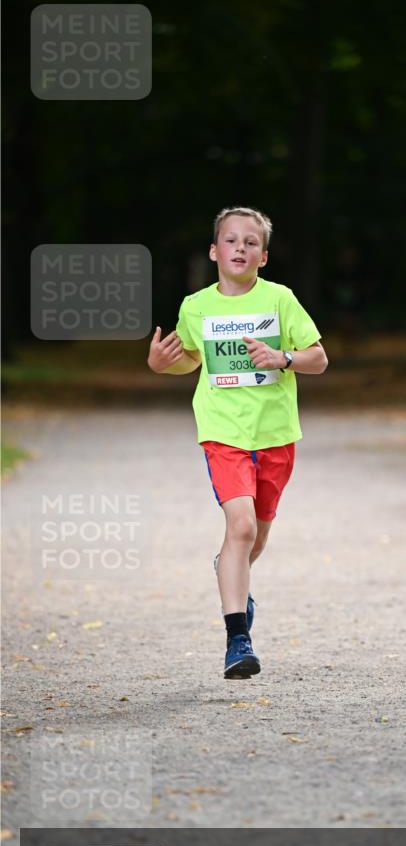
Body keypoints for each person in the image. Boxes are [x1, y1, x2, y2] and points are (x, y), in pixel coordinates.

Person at [147, 206, 328, 678]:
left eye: (251, 242)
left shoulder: (280, 300)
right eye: (231, 240)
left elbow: (319, 358)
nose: (240, 248)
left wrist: (283, 357)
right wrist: (160, 363)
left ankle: (231, 570)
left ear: (263, 257)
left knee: (255, 537)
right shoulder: (197, 306)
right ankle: (237, 640)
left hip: (275, 434)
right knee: (241, 527)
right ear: (214, 250)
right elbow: (189, 358)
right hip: (222, 432)